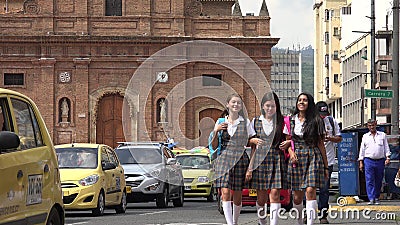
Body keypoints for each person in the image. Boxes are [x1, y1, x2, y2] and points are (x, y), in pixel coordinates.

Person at [210, 93, 256, 225]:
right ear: (227, 104)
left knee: (237, 193)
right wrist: (216, 131)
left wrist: (250, 168)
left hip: (240, 158)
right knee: (225, 191)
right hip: (224, 158)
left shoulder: (245, 122)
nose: (236, 105)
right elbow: (213, 146)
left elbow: (250, 143)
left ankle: (235, 221)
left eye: (238, 103)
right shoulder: (220, 122)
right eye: (233, 102)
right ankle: (230, 223)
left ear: (241, 106)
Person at [246, 92, 291, 225]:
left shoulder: (282, 122)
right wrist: (250, 167)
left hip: (277, 159)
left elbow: (290, 140)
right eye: (267, 106)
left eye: (273, 106)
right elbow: (250, 145)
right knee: (261, 197)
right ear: (263, 106)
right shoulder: (255, 121)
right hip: (260, 159)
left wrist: (288, 144)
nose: (270, 109)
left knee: (275, 194)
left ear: (277, 107)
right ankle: (262, 221)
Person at [287, 93, 329, 225]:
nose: (301, 102)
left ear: (309, 103)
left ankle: (310, 222)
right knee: (297, 196)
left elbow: (321, 144)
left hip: (313, 155)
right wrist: (291, 152)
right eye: (299, 100)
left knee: (310, 190)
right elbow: (287, 141)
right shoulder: (290, 120)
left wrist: (326, 166)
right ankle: (300, 221)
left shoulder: (316, 120)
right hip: (297, 157)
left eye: (305, 100)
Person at [315, 101, 342, 224]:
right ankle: (307, 212)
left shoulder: (332, 121)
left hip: (329, 161)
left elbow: (339, 138)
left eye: (324, 113)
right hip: (313, 160)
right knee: (308, 189)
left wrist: (329, 138)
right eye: (321, 113)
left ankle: (323, 215)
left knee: (324, 189)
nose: (323, 116)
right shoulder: (312, 122)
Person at [358, 119, 391, 205]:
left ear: (376, 125)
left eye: (373, 125)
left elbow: (386, 147)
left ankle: (376, 197)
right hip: (368, 160)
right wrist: (361, 162)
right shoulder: (365, 136)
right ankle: (371, 198)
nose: (371, 127)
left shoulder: (382, 135)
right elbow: (362, 150)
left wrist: (388, 157)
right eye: (370, 125)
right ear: (367, 126)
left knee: (378, 179)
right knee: (369, 179)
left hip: (380, 160)